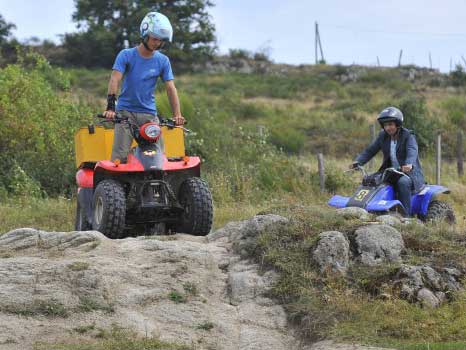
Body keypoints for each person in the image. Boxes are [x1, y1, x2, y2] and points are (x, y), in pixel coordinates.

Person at [103, 11, 185, 162]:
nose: (157, 43)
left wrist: (177, 115)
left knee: (160, 158)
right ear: (145, 35)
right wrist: (110, 108)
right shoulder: (126, 55)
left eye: (161, 40)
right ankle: (114, 185)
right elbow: (115, 79)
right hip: (125, 114)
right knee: (119, 158)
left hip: (149, 114)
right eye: (154, 39)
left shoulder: (163, 61)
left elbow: (170, 88)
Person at [350, 107, 425, 216]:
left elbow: (412, 150)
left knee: (403, 182)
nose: (388, 128)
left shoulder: (408, 135)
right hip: (391, 171)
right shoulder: (383, 136)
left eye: (390, 124)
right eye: (385, 125)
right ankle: (366, 209)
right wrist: (358, 162)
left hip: (408, 172)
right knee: (370, 179)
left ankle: (406, 216)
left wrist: (409, 163)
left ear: (397, 124)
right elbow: (371, 150)